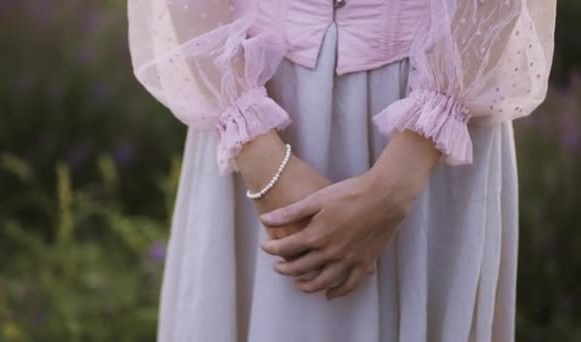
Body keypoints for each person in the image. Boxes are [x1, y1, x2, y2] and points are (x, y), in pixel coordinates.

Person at [127, 1, 557, 341]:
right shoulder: (240, 114)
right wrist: (256, 149)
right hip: (246, 88)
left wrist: (398, 179)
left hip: (440, 114)